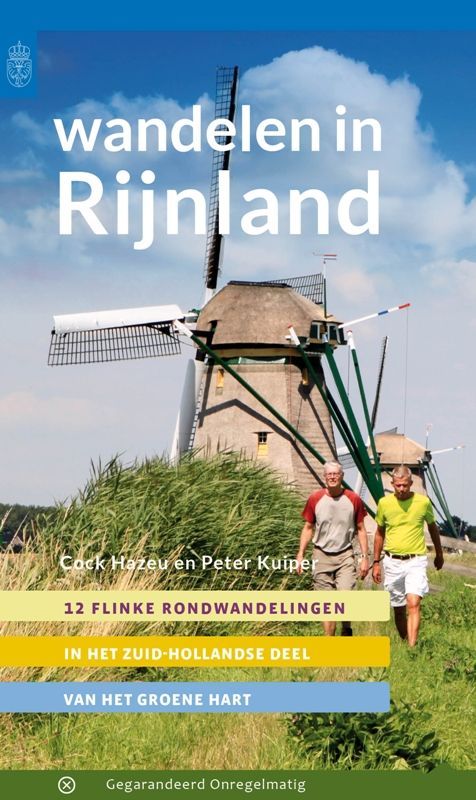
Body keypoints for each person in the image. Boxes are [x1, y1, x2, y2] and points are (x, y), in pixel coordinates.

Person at [372, 465, 444, 647]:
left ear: (411, 483)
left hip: (415, 559)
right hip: (392, 561)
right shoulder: (384, 503)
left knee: (413, 602)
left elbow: (433, 528)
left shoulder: (423, 502)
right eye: (398, 486)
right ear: (392, 483)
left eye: (405, 485)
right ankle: (406, 643)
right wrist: (375, 562)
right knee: (398, 608)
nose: (402, 489)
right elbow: (379, 533)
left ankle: (412, 647)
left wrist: (439, 553)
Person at [296, 461, 369, 636]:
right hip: (321, 554)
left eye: (336, 474)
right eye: (329, 474)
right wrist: (300, 555)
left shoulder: (353, 499)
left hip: (344, 554)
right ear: (324, 477)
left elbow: (361, 529)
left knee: (345, 596)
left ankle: (346, 628)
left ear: (342, 476)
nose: (332, 477)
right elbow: (308, 527)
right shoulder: (315, 498)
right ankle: (330, 644)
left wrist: (365, 557)